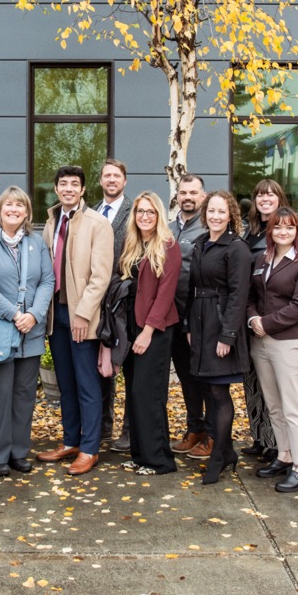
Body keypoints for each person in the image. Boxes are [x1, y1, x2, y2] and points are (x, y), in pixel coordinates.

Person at [0, 187, 56, 477]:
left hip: (30, 331)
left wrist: (34, 315)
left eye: (20, 205)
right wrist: (14, 313)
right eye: (9, 204)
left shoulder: (35, 242)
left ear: (27, 212)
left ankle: (19, 452)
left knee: (24, 396)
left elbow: (47, 281)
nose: (14, 209)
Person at [36, 165, 114, 477]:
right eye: (63, 184)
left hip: (82, 315)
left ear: (83, 190)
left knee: (86, 383)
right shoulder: (51, 220)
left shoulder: (98, 223)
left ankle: (90, 448)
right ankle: (70, 441)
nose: (68, 188)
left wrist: (84, 313)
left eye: (74, 184)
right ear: (56, 189)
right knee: (65, 383)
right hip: (56, 315)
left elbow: (101, 275)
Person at [246, 207, 298, 492]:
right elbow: (252, 296)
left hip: (291, 342)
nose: (283, 232)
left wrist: (266, 323)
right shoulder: (262, 259)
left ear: (297, 231)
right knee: (273, 404)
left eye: (289, 227)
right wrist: (254, 319)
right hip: (261, 341)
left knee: (292, 405)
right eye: (278, 227)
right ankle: (285, 454)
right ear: (271, 231)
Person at [184, 191, 252, 485]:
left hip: (221, 323)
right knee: (208, 391)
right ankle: (226, 451)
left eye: (221, 212)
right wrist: (188, 325)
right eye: (211, 211)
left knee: (219, 393)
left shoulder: (236, 248)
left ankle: (219, 456)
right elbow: (190, 287)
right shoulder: (200, 244)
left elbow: (239, 295)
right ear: (204, 214)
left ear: (231, 215)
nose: (215, 216)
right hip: (199, 323)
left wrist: (228, 336)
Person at [116, 192, 180, 476]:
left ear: (159, 216)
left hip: (154, 329)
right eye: (140, 211)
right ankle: (140, 456)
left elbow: (166, 295)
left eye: (150, 212)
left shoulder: (168, 246)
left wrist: (148, 332)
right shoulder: (132, 244)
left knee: (150, 395)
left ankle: (160, 461)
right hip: (130, 327)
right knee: (134, 394)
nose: (144, 216)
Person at [239, 178, 288, 463]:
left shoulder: (284, 229)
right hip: (249, 315)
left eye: (271, 195)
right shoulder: (251, 231)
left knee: (275, 387)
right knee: (253, 382)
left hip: (272, 318)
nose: (265, 199)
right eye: (260, 195)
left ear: (279, 198)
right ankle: (260, 437)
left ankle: (277, 444)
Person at [168, 174, 210, 459]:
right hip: (171, 316)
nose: (188, 197)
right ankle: (195, 429)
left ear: (203, 196)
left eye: (193, 192)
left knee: (207, 379)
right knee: (186, 378)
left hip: (200, 318)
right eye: (183, 192)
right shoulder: (168, 228)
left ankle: (213, 434)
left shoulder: (210, 228)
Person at [93, 159, 130, 452]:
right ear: (101, 181)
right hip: (97, 301)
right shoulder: (91, 212)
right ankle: (103, 425)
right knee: (101, 366)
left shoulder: (134, 213)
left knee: (127, 364)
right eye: (107, 176)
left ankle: (129, 430)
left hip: (125, 298)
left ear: (124, 181)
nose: (111, 180)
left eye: (116, 176)